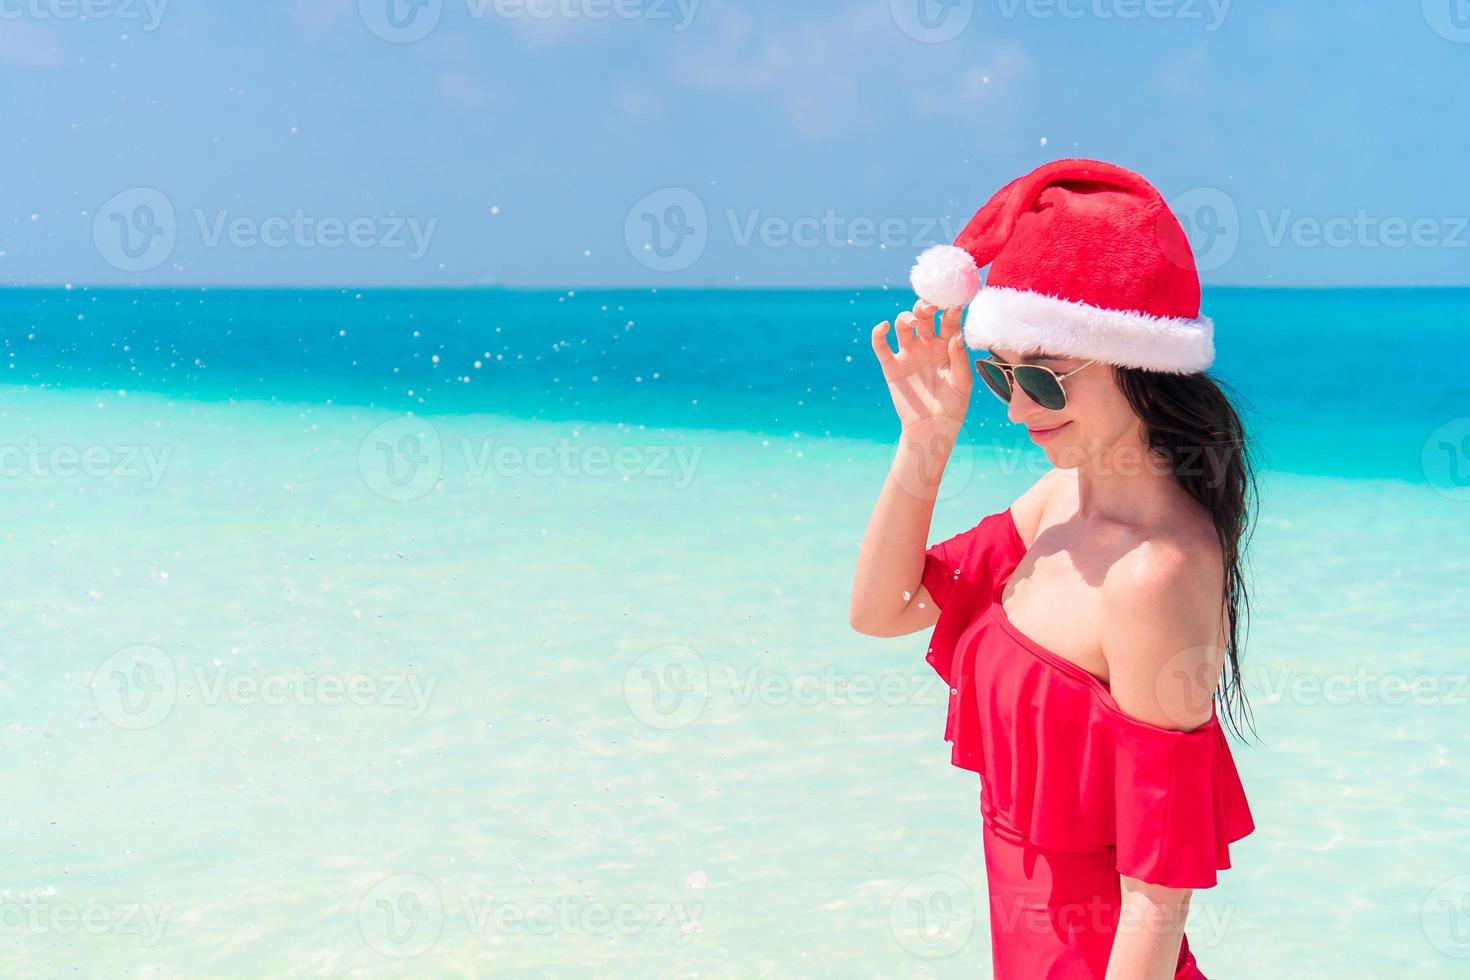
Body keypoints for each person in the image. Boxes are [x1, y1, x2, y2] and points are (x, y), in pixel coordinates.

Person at [849, 160, 1257, 979]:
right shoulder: (1055, 504)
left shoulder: (1157, 575)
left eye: (1041, 375)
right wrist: (925, 444)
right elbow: (882, 610)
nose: (1014, 408)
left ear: (1137, 363)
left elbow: (1156, 892)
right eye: (1000, 371)